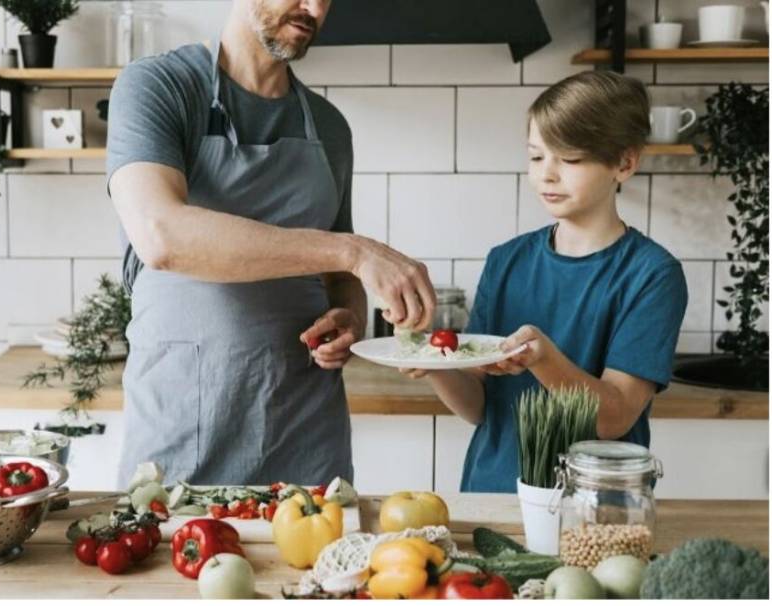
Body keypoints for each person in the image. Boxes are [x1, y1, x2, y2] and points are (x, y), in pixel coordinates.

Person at [106, 0, 436, 488]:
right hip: (184, 427)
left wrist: (348, 316)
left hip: (304, 433)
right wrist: (355, 251)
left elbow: (340, 277)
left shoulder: (329, 128)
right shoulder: (159, 87)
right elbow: (161, 235)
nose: (315, 8)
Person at [401, 71, 688, 493]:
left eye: (569, 159)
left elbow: (613, 417)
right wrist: (434, 361)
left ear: (624, 163)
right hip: (492, 496)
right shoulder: (506, 261)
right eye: (537, 157)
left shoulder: (652, 275)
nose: (546, 175)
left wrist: (543, 358)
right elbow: (481, 407)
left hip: (596, 506)